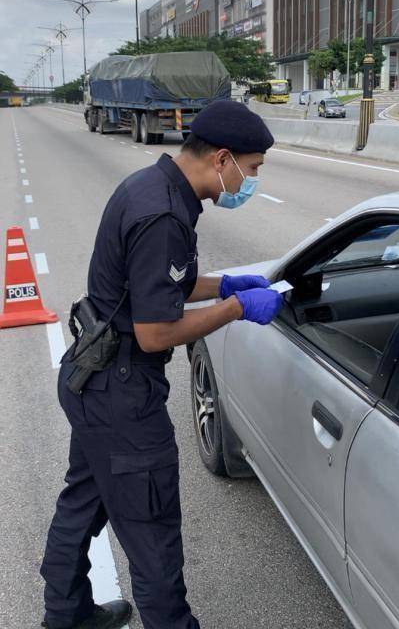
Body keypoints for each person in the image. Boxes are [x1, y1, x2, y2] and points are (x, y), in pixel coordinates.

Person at [40, 100, 284, 629]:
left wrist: (225, 283)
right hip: (122, 392)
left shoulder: (150, 187)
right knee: (151, 534)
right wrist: (236, 309)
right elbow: (154, 334)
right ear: (223, 159)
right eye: (254, 168)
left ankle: (66, 615)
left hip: (93, 379)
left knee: (84, 500)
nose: (253, 181)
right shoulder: (165, 215)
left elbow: (155, 285)